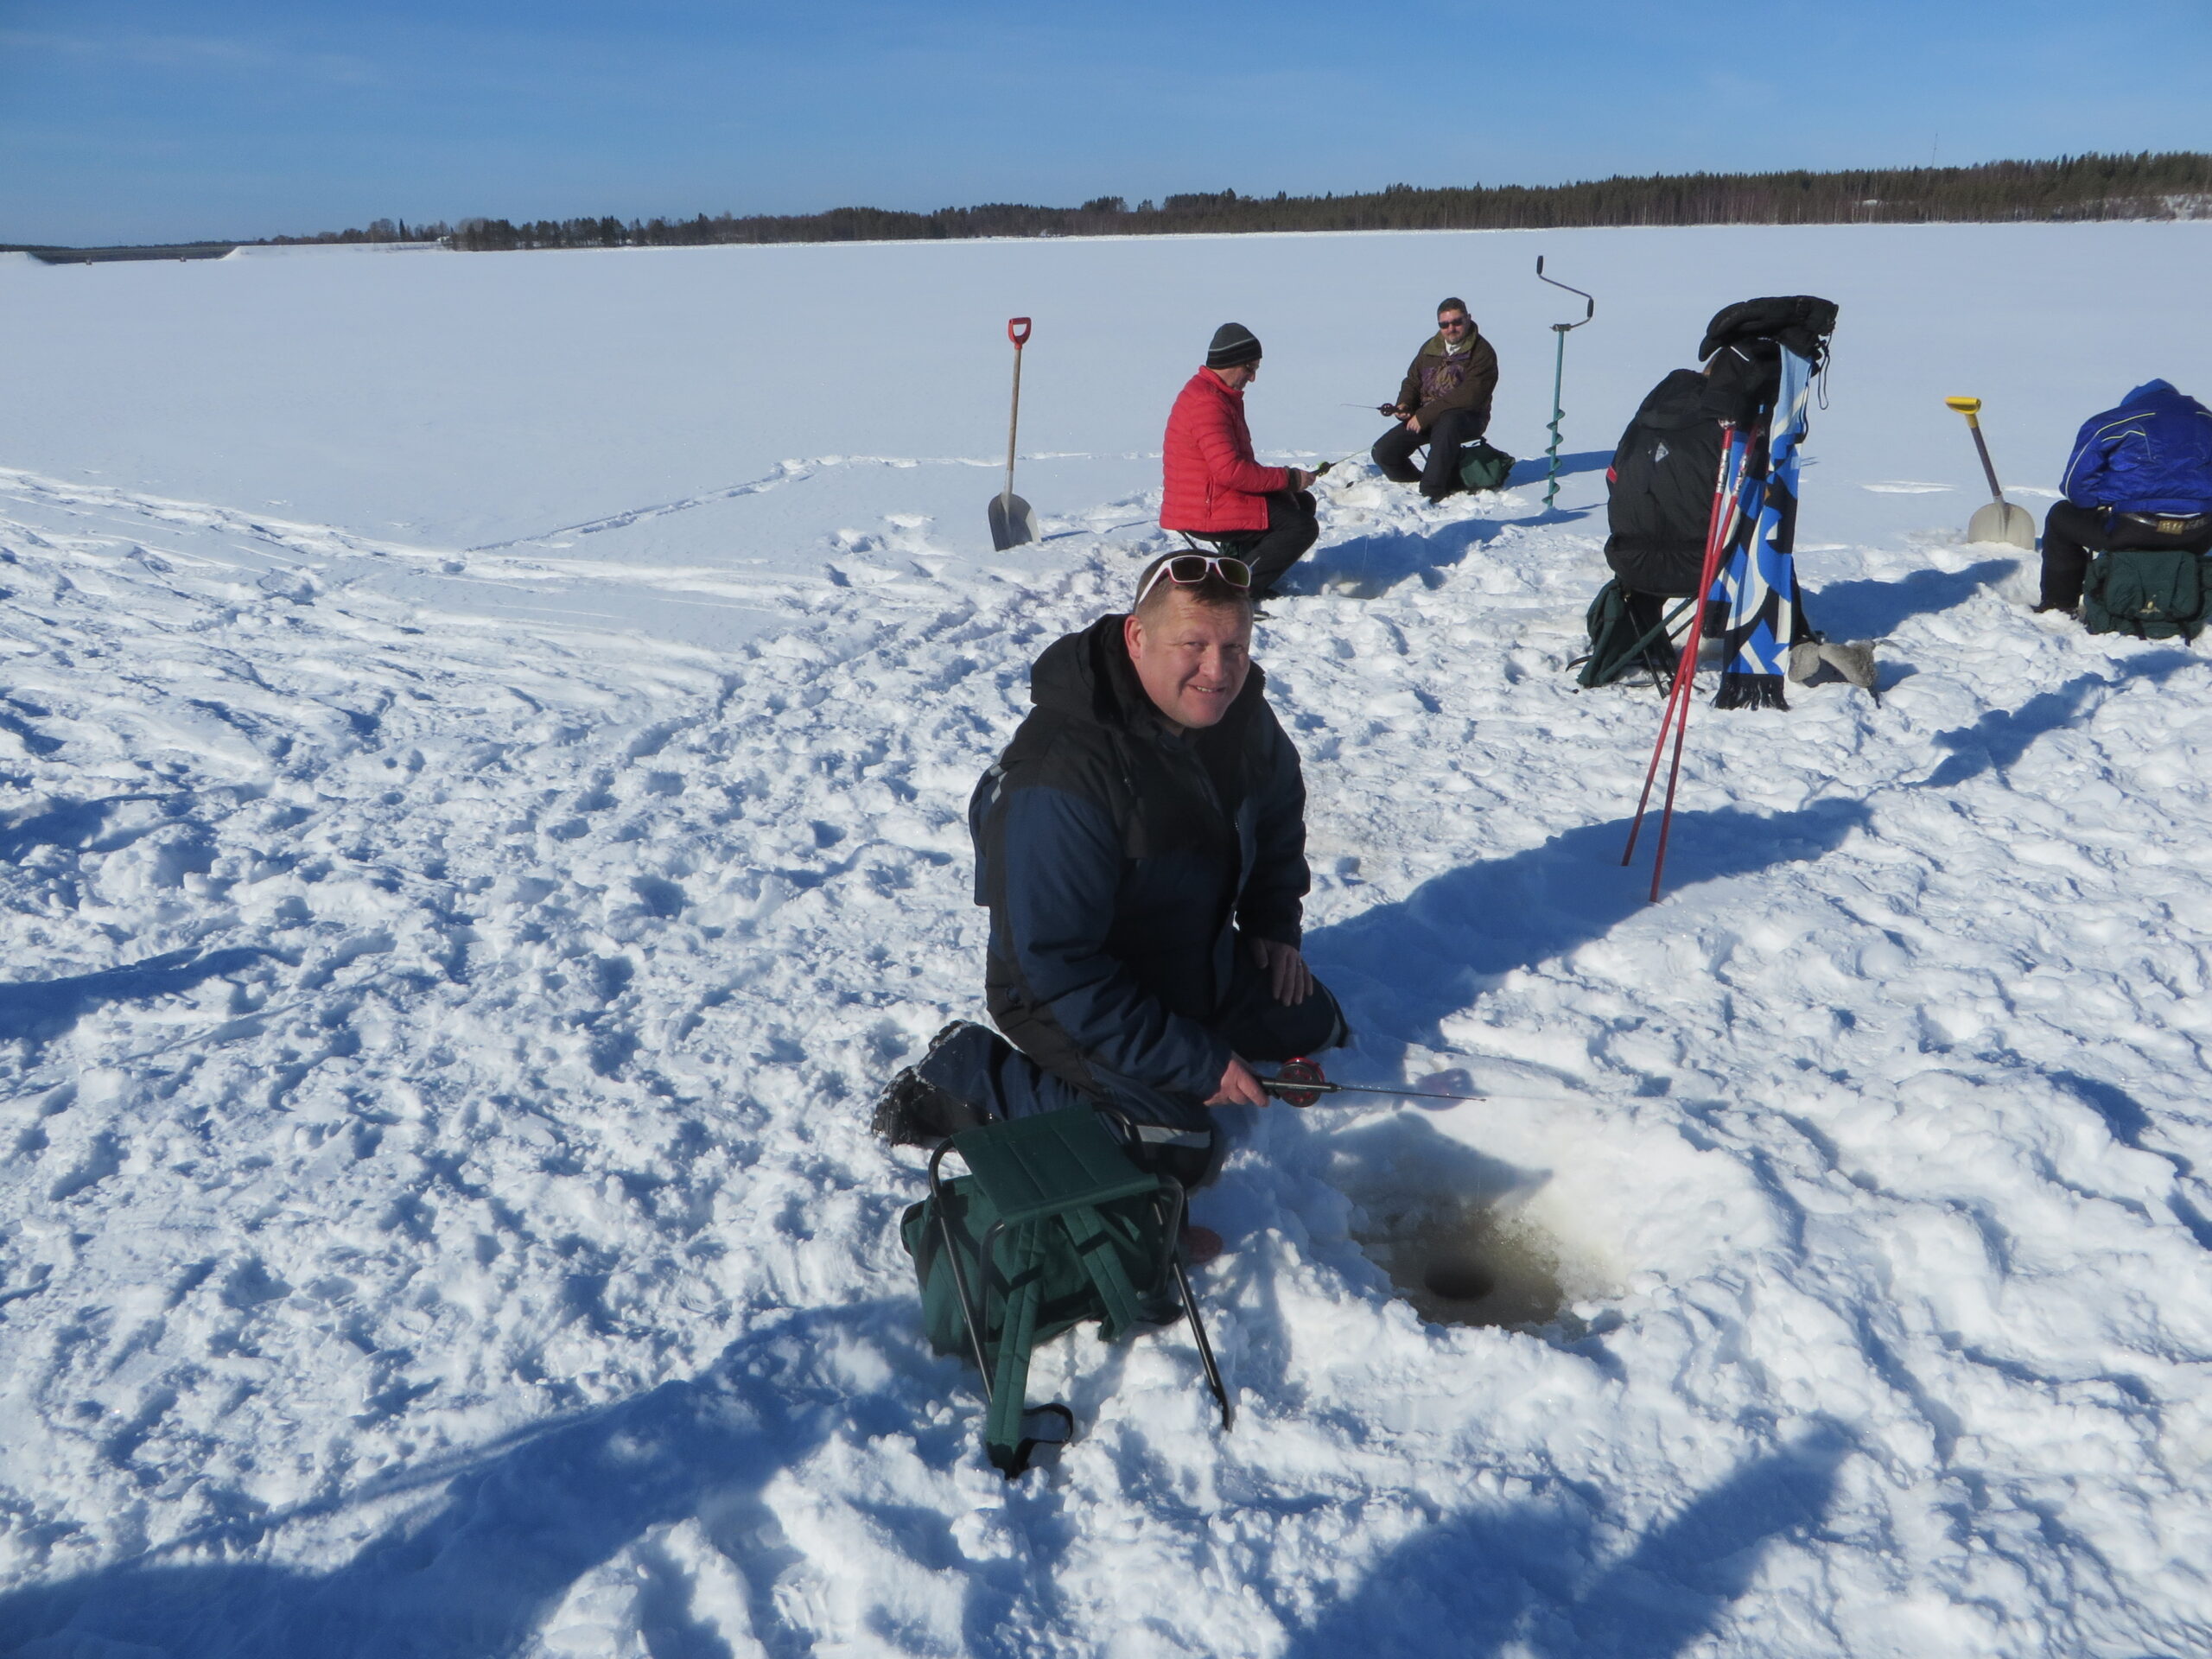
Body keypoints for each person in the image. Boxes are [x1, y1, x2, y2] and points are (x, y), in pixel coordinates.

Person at [873, 551, 1347, 1192]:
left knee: (1312, 1022)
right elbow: (1056, 967)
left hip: (1188, 952)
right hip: (1063, 994)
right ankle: (963, 1076)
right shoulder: (1060, 777)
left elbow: (1279, 809)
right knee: (1174, 1147)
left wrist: (1272, 923)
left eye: (1235, 647)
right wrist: (1192, 1061)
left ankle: (1180, 1031)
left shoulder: (1236, 714)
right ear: (1137, 637)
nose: (1218, 671)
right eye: (1193, 645)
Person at [1159, 323, 1319, 601]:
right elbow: (1231, 472)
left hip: (1214, 497)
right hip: (1205, 507)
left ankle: (1242, 570)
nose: (1253, 377)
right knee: (1300, 527)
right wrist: (1289, 478)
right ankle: (1236, 592)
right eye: (1250, 368)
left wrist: (1283, 486)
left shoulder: (1215, 395)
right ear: (1231, 361)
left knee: (1302, 503)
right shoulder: (1208, 403)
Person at [2036, 379, 2212, 615]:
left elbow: (2074, 487)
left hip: (2133, 530)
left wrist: (2099, 503)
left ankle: (2059, 606)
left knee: (2061, 516)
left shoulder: (2113, 422)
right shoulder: (2206, 420)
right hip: (2199, 534)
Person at [1370, 298, 1499, 503]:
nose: (1451, 328)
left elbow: (1470, 396)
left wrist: (1424, 415)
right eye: (1444, 324)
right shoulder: (1431, 347)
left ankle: (1432, 492)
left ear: (1468, 319)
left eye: (1457, 322)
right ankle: (1414, 483)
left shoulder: (1482, 352)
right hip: (1427, 416)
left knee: (1448, 423)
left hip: (1468, 418)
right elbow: (1413, 380)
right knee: (1384, 453)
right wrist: (1405, 404)